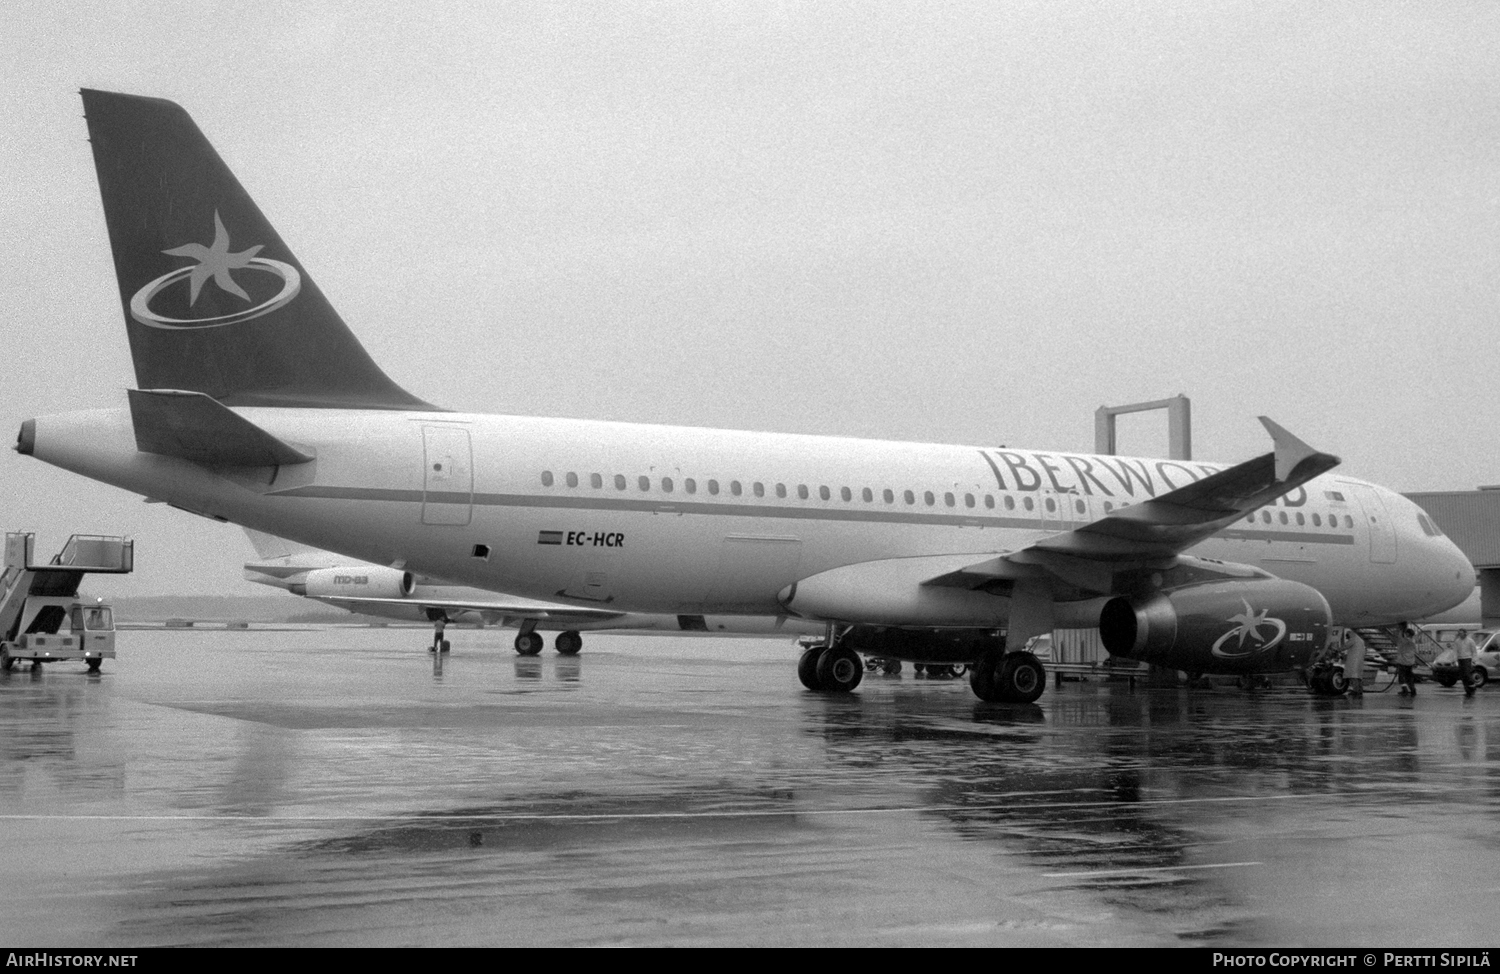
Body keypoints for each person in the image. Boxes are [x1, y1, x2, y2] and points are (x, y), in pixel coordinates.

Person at [1454, 629, 1478, 697]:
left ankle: (1473, 685)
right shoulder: (1457, 641)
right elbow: (1455, 651)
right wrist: (1455, 660)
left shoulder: (1470, 641)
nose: (1460, 635)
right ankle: (1467, 690)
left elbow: (1474, 651)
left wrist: (1474, 660)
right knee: (1463, 676)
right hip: (1460, 659)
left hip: (1467, 658)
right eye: (1459, 633)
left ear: (1465, 633)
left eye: (1461, 633)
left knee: (1467, 674)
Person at [1343, 628, 1367, 697]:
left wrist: (1337, 649)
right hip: (1359, 660)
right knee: (1358, 676)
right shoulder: (1360, 640)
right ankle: (1359, 690)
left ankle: (1355, 690)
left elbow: (1345, 646)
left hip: (1354, 660)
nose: (1346, 637)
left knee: (1353, 676)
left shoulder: (1353, 639)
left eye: (1347, 636)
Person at [1395, 625, 1418, 696]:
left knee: (1401, 677)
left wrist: (1401, 630)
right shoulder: (1413, 642)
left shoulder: (1404, 641)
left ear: (1407, 634)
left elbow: (1399, 638)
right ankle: (1413, 690)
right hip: (1410, 662)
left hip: (1403, 662)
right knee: (1409, 677)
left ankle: (1404, 690)